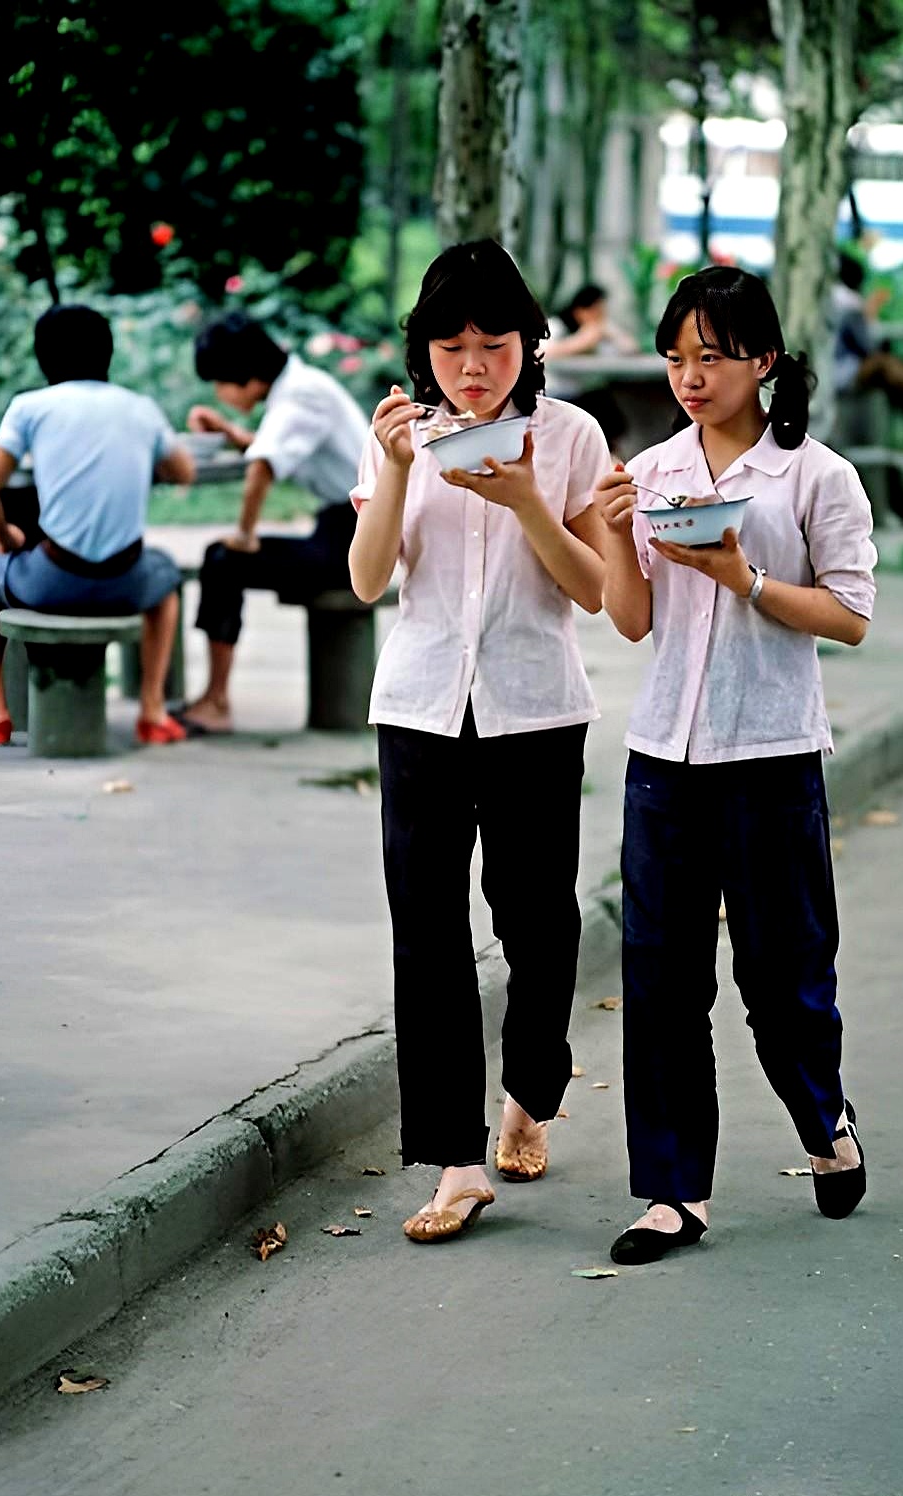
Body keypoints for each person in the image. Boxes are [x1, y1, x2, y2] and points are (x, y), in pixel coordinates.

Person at [593, 265, 875, 1265]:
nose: (690, 376)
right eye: (676, 357)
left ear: (764, 360)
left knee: (783, 975)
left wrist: (743, 577)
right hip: (663, 756)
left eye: (711, 356)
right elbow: (632, 619)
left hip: (771, 754)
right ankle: (674, 1193)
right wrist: (616, 535)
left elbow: (849, 615)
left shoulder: (815, 476)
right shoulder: (654, 470)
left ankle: (826, 1124)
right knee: (660, 978)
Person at [348, 239, 609, 1243]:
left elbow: (593, 588)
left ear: (529, 344)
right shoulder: (399, 435)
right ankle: (455, 1160)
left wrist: (527, 498)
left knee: (537, 917)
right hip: (419, 706)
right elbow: (368, 579)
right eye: (450, 346)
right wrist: (398, 469)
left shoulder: (571, 435)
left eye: (493, 345)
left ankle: (531, 1092)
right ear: (422, 349)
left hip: (534, 707)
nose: (471, 367)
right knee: (426, 927)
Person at [0, 304, 193, 748]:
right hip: (126, 582)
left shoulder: (30, 407)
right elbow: (183, 472)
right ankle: (152, 709)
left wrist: (7, 537)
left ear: (43, 356)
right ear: (108, 353)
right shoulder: (140, 408)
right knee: (166, 578)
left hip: (53, 582)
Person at [177, 312, 369, 734]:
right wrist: (232, 434)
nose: (219, 393)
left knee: (224, 560)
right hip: (346, 531)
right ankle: (214, 698)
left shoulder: (301, 396)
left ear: (245, 376)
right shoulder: (299, 389)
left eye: (220, 382)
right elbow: (271, 448)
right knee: (222, 557)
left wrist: (245, 535)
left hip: (354, 542)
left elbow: (262, 466)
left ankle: (216, 702)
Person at [541, 281, 637, 455]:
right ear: (580, 310)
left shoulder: (599, 328)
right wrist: (583, 340)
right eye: (595, 310)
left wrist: (609, 333)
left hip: (588, 393)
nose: (599, 315)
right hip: (559, 394)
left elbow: (630, 348)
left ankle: (610, 454)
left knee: (604, 405)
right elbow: (543, 352)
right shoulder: (556, 326)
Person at [831, 252, 903, 413]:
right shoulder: (851, 303)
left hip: (836, 369)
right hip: (842, 371)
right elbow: (868, 345)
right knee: (884, 363)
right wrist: (870, 312)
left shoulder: (836, 297)